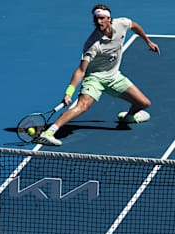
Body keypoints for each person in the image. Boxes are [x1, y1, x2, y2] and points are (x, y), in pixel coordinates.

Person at [35, 4, 160, 146]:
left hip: (114, 77)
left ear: (109, 18)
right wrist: (69, 92)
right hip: (95, 78)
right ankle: (48, 133)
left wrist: (147, 41)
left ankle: (128, 116)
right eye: (96, 19)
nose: (99, 22)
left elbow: (134, 25)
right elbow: (81, 70)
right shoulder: (92, 44)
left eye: (101, 18)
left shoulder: (122, 24)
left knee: (144, 103)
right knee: (83, 106)